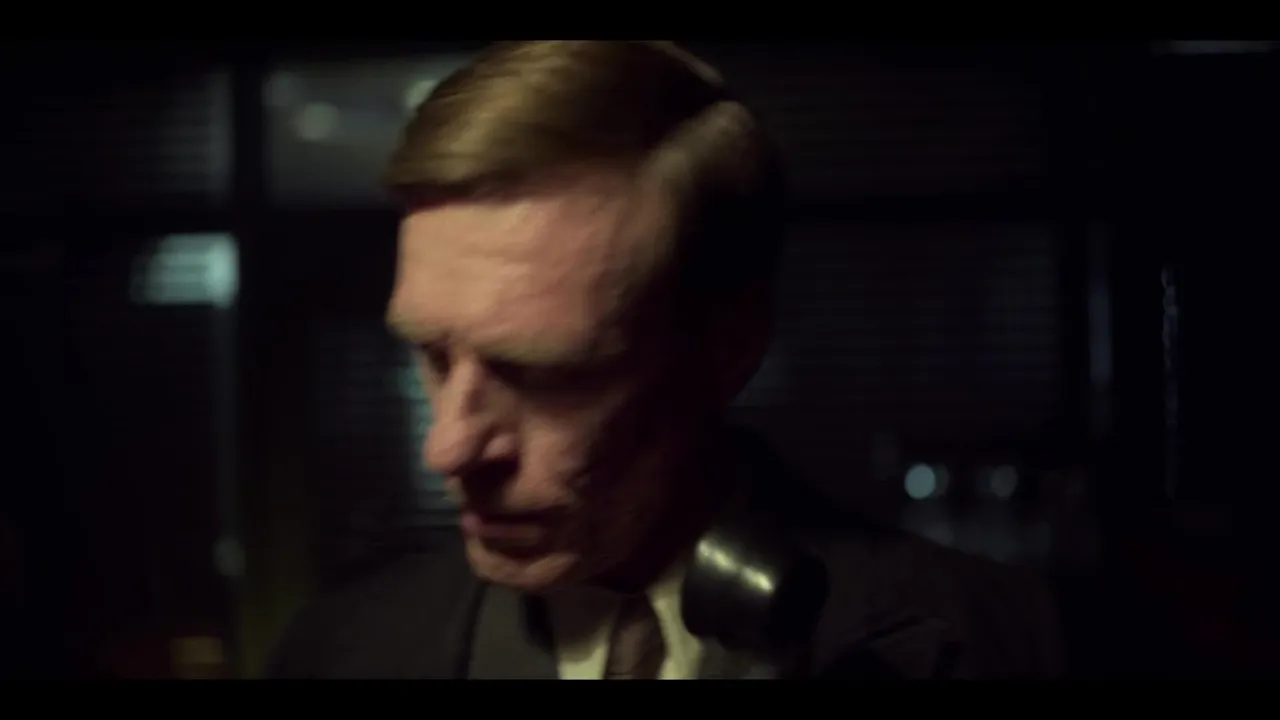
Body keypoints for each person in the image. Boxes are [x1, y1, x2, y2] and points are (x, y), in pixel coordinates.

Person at [266, 40, 1064, 679]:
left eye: (542, 374)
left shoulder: (997, 645)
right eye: (434, 356)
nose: (446, 447)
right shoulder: (337, 654)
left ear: (727, 348)